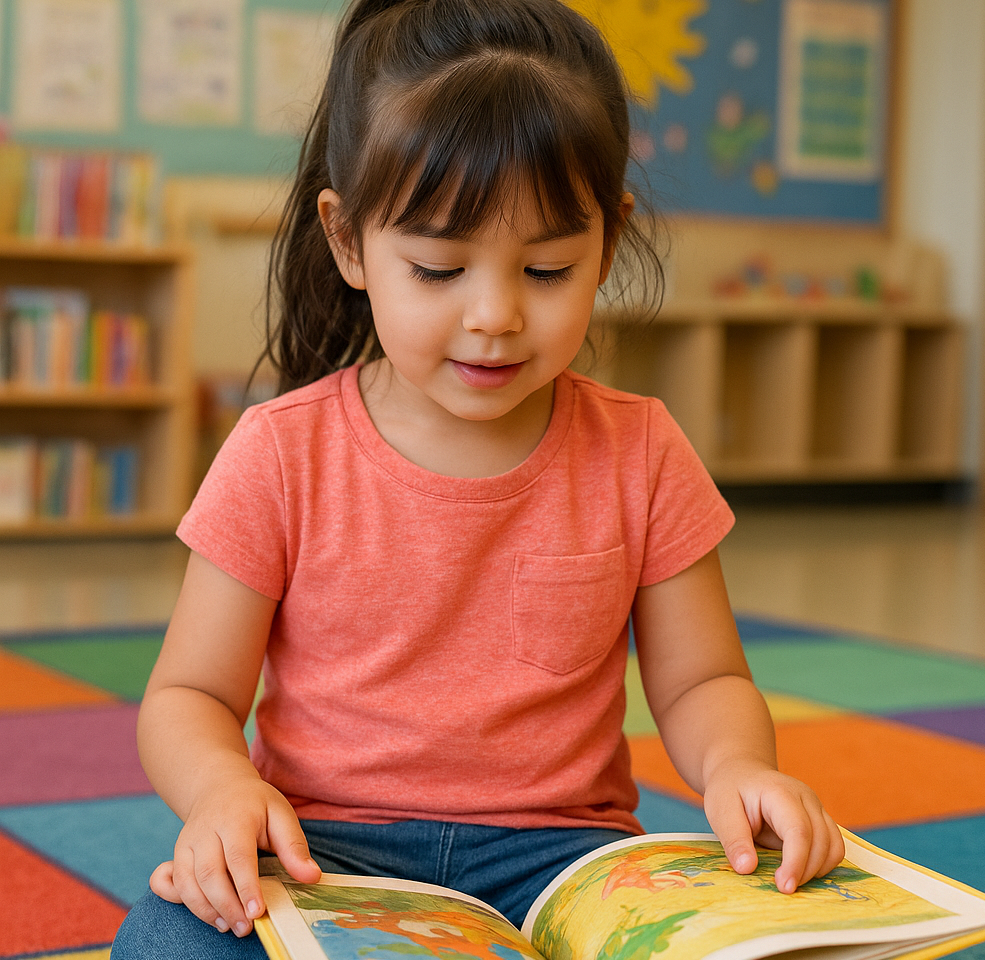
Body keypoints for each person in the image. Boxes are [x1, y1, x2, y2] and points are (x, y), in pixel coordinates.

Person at [112, 0, 844, 955]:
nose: (495, 314)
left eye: (546, 270)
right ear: (348, 243)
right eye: (437, 268)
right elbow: (190, 698)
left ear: (609, 244)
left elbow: (703, 676)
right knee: (171, 938)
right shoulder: (278, 453)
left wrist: (741, 768)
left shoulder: (643, 450)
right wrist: (222, 793)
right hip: (326, 851)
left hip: (566, 862)